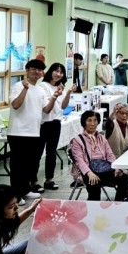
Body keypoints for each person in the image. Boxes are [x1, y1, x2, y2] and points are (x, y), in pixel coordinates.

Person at [8, 59, 48, 202]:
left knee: (29, 165)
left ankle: (25, 190)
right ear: (27, 70)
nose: (36, 72)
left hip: (34, 132)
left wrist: (55, 97)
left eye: (39, 70)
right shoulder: (18, 86)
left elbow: (46, 109)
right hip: (18, 132)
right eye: (33, 69)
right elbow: (15, 105)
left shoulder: (41, 89)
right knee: (17, 166)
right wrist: (25, 88)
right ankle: (16, 196)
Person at [70, 110, 128, 201]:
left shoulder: (102, 138)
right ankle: (94, 207)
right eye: (89, 120)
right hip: (87, 170)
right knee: (94, 182)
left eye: (95, 120)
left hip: (103, 168)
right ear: (84, 123)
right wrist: (89, 173)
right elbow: (79, 161)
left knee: (124, 176)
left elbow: (110, 155)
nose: (92, 123)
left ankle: (118, 204)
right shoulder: (77, 140)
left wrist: (116, 167)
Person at [38, 63, 74, 191]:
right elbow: (46, 106)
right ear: (50, 72)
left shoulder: (61, 87)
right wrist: (56, 95)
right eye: (56, 71)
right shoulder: (43, 86)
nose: (58, 74)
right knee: (38, 153)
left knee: (52, 152)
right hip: (43, 123)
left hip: (56, 122)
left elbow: (63, 106)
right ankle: (33, 182)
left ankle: (49, 180)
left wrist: (68, 92)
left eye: (61, 72)